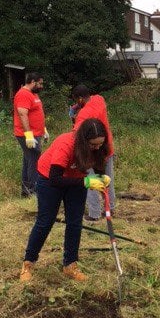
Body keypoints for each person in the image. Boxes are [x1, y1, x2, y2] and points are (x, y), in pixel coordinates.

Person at [20, 118, 111, 283]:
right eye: (93, 145)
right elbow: (55, 179)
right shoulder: (66, 144)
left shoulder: (99, 146)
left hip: (76, 182)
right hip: (50, 181)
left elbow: (98, 165)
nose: (97, 148)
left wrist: (101, 178)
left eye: (100, 144)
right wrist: (86, 182)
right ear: (84, 141)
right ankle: (28, 263)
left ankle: (70, 265)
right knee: (45, 221)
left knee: (75, 223)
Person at [71, 85, 115, 221]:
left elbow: (76, 136)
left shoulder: (83, 115)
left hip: (90, 151)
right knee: (107, 179)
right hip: (106, 146)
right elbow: (92, 99)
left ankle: (94, 213)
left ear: (79, 99)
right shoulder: (99, 99)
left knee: (90, 180)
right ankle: (110, 208)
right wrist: (75, 106)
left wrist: (74, 116)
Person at [13, 72, 49, 197]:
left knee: (28, 160)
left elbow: (36, 113)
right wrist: (28, 135)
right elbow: (23, 114)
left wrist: (43, 129)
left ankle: (25, 190)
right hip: (27, 135)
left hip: (36, 133)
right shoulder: (23, 94)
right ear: (33, 82)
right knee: (34, 160)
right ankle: (33, 191)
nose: (41, 86)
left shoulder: (33, 94)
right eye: (40, 83)